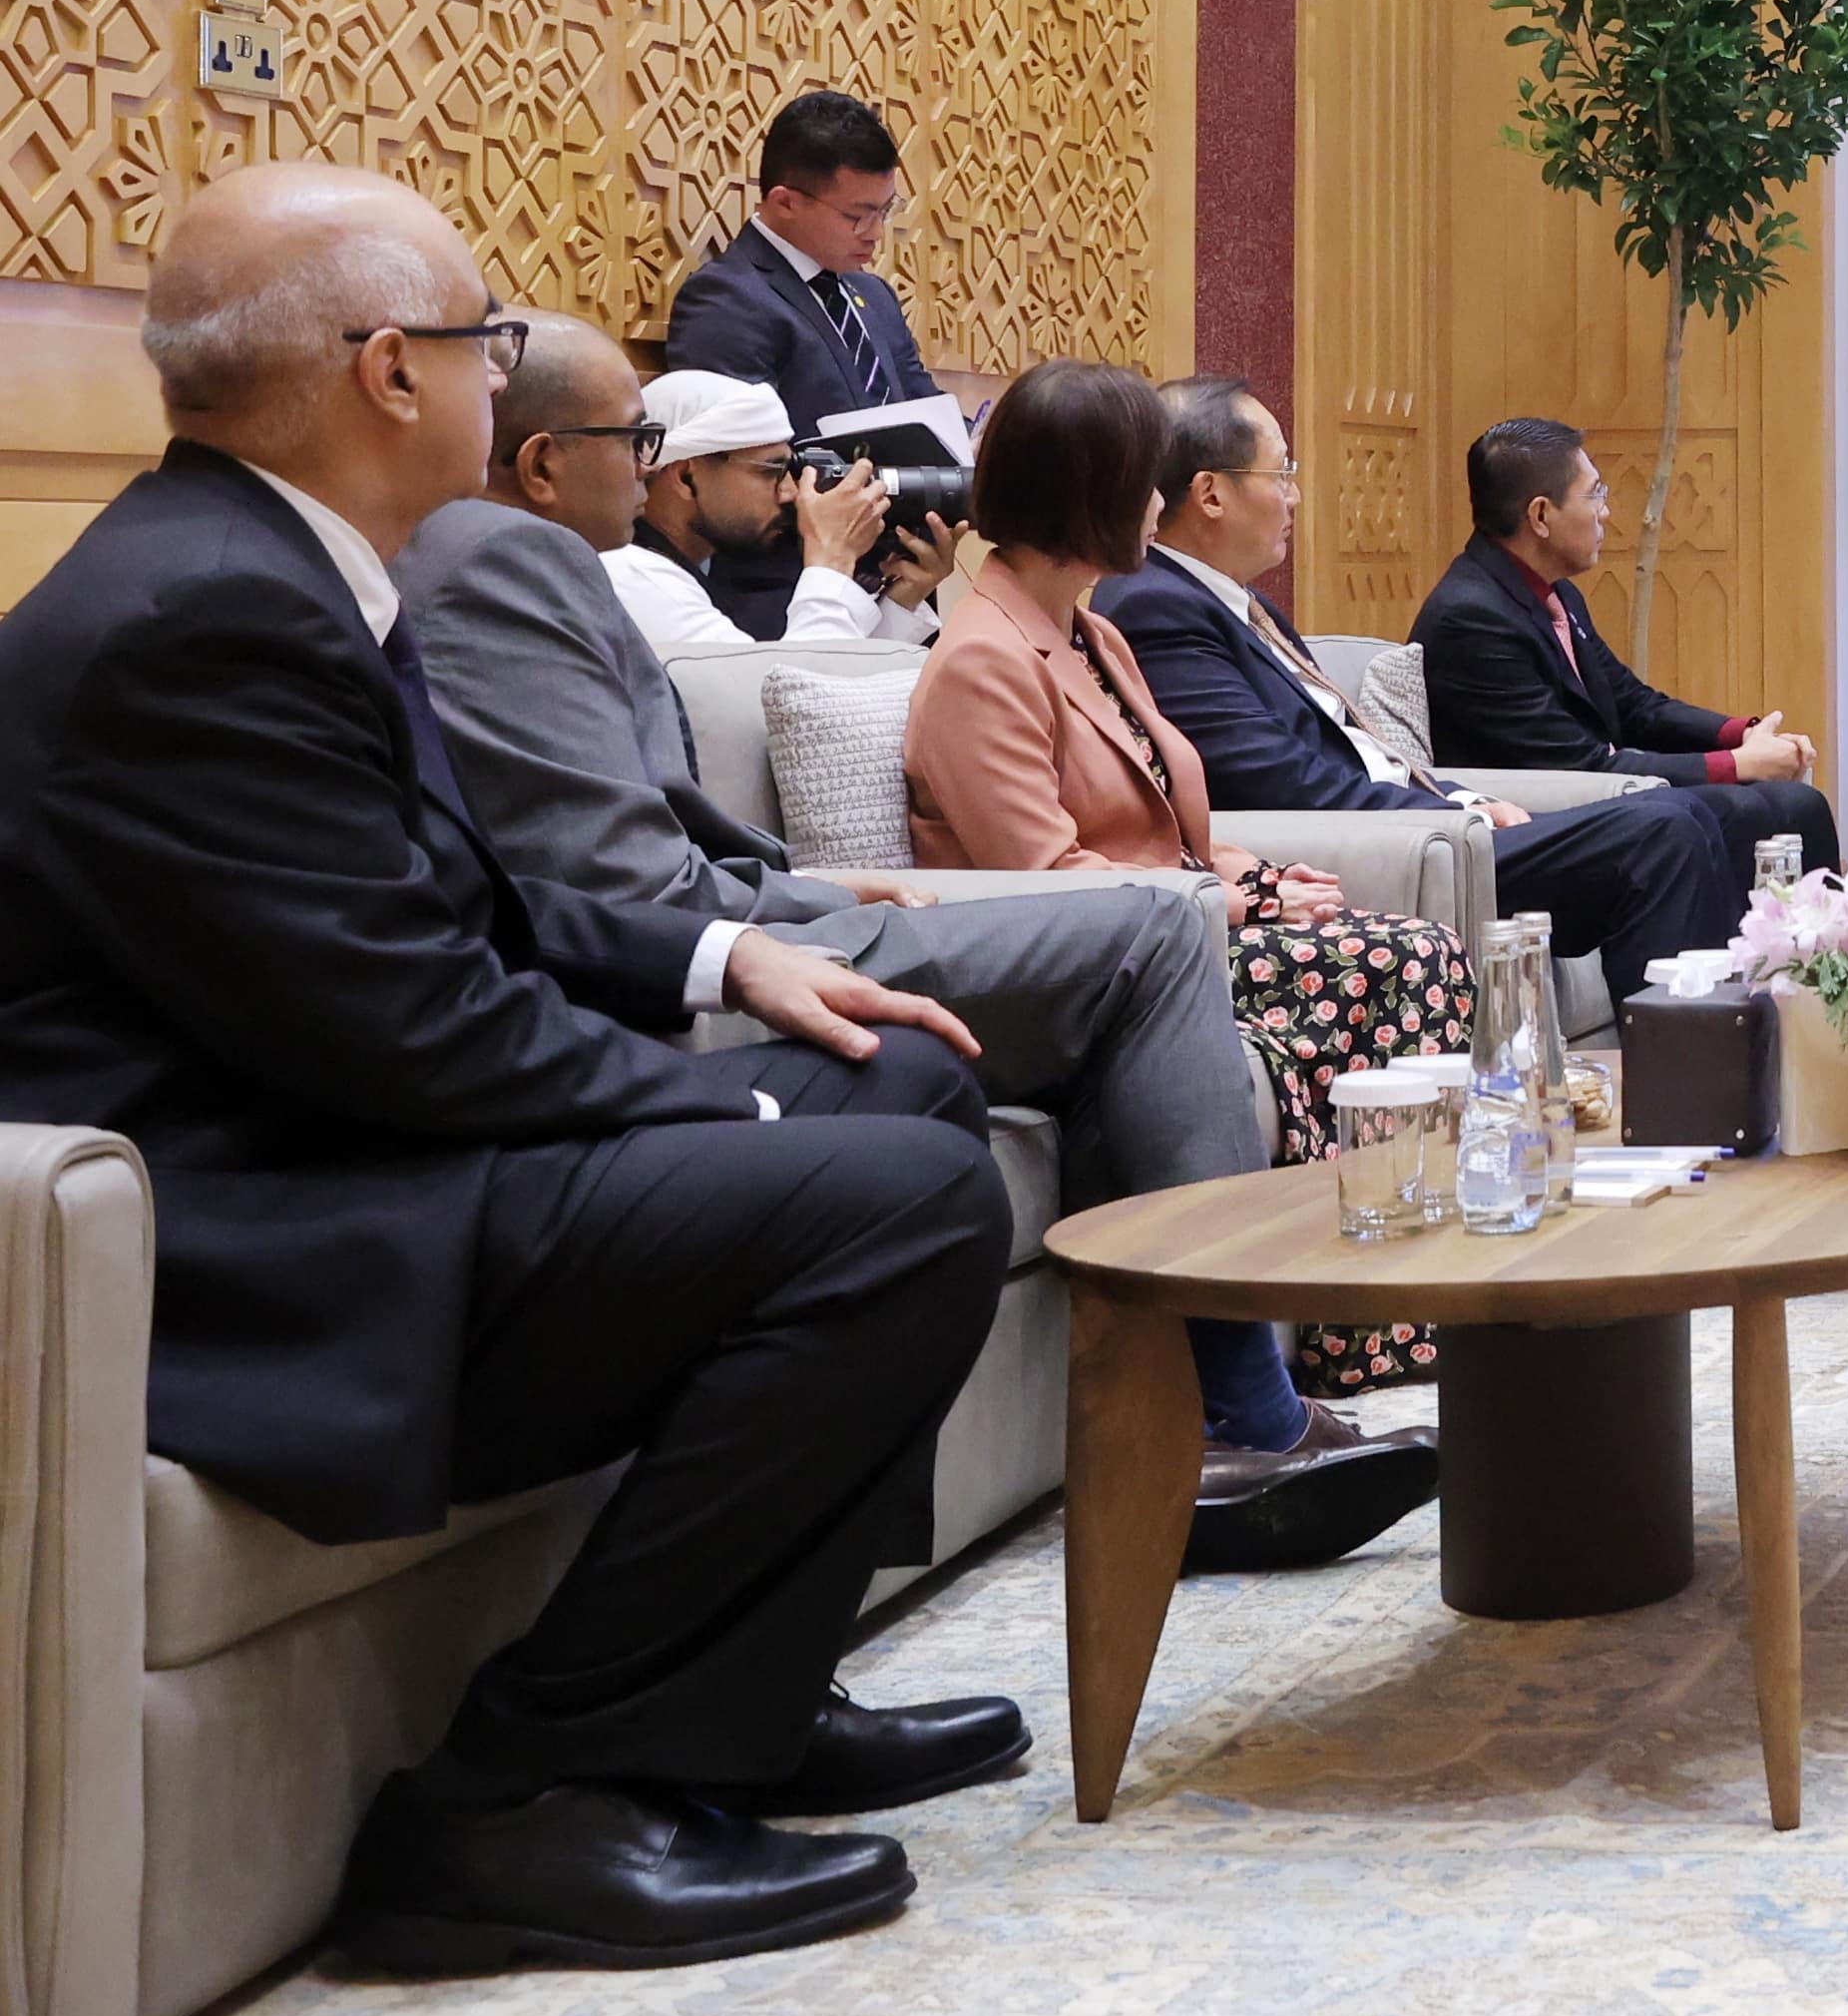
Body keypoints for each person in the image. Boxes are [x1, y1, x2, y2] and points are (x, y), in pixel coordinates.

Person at [0, 165, 1021, 1972]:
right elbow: (410, 1030)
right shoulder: (195, 621)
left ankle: (753, 1701)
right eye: (484, 347)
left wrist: (725, 958)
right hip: (270, 1232)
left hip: (364, 1138)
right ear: (390, 372)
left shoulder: (277, 566)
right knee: (892, 1188)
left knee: (906, 1086)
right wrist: (735, 1106)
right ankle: (524, 1803)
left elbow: (445, 905)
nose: (511, 385)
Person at [406, 321, 1433, 1570]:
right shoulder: (499, 557)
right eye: (635, 440)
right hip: (703, 967)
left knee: (1204, 944)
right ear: (542, 462)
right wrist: (799, 917)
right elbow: (624, 880)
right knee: (1159, 935)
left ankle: (1213, 1418)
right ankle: (1244, 1415)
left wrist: (830, 885)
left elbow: (674, 848)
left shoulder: (1100, 631)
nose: (654, 467)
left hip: (764, 916)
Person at [904, 360, 1471, 1396]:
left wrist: (1258, 872)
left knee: (1407, 951)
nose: (1159, 504)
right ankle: (1364, 1331)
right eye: (1141, 480)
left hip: (1175, 922)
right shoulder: (984, 658)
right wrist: (1244, 903)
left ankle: (1398, 1303)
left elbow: (1170, 821)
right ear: (1089, 493)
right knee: (1405, 960)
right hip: (1076, 972)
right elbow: (1051, 880)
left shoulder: (1095, 631)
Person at [1113, 378, 1754, 1001]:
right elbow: (1281, 781)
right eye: (1282, 474)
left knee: (1696, 815)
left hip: (1427, 827)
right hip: (1380, 852)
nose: (1296, 497)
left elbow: (1359, 750)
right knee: (1663, 832)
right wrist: (1456, 816)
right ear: (1211, 494)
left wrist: (1464, 795)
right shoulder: (1158, 609)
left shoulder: (1233, 600)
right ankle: (1680, 1094)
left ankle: (1711, 1072)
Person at [1409, 418, 1842, 885]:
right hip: (1539, 824)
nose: (1607, 512)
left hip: (1595, 792)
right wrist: (1738, 765)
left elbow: (1632, 703)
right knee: (1743, 806)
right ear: (1540, 516)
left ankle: (1823, 956)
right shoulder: (1472, 617)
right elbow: (1582, 764)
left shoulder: (1553, 593)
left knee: (1799, 805)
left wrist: (1743, 734)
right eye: (1594, 494)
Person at [660, 91, 958, 638]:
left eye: (884, 211)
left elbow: (923, 407)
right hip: (785, 600)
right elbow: (744, 469)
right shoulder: (728, 298)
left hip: (902, 586)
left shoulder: (875, 298)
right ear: (784, 201)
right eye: (856, 215)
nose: (874, 232)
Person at [603, 368, 948, 657]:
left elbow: (811, 687)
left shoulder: (673, 571)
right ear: (685, 476)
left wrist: (901, 602)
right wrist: (830, 559)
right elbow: (790, 713)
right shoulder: (635, 577)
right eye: (770, 470)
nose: (791, 492)